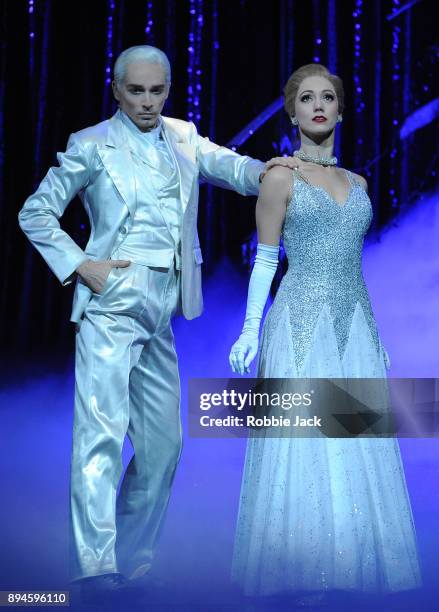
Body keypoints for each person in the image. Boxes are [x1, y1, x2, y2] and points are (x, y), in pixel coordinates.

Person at [18, 45, 299, 604]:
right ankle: (94, 568)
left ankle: (134, 560)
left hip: (163, 305)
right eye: (136, 91)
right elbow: (35, 211)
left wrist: (271, 171)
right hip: (111, 299)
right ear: (116, 89)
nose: (148, 101)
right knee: (99, 434)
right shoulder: (91, 145)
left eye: (157, 90)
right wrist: (81, 265)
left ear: (168, 88)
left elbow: (230, 166)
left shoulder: (182, 135)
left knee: (164, 446)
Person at [229, 63, 422, 606]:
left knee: (354, 437)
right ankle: (302, 566)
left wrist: (375, 329)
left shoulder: (357, 182)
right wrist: (249, 331)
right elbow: (265, 260)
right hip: (299, 320)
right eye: (306, 98)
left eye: (328, 97)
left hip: (353, 322)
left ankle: (347, 564)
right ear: (291, 112)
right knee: (304, 438)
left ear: (339, 108)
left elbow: (353, 264)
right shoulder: (279, 177)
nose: (318, 105)